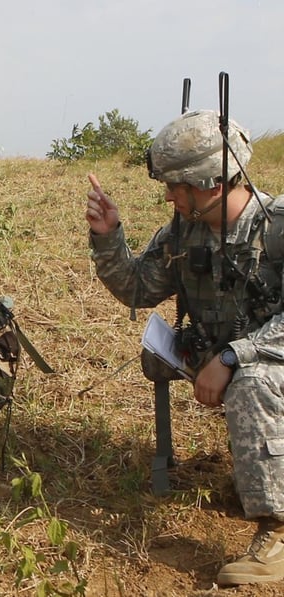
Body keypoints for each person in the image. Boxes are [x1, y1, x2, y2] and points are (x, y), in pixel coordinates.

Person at [85, 109, 284, 587]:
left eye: (177, 186)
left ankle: (277, 534)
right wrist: (108, 236)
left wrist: (237, 356)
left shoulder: (276, 229)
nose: (170, 196)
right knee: (166, 353)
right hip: (221, 355)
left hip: (267, 360)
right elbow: (136, 288)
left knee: (253, 383)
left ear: (210, 183)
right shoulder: (181, 233)